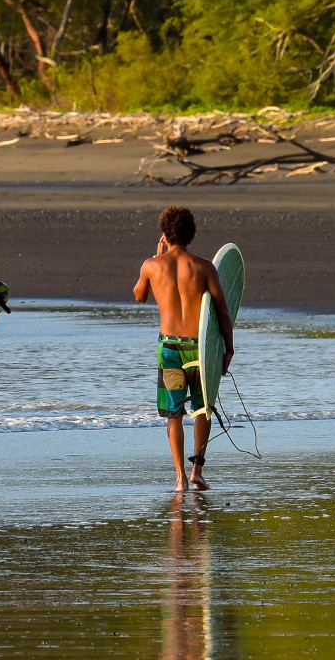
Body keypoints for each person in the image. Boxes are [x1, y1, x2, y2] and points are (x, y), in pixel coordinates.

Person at [133, 206, 233, 491]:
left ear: (165, 234)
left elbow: (139, 296)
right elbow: (223, 312)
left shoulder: (152, 265)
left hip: (169, 350)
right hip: (199, 349)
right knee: (203, 410)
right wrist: (228, 349)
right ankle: (197, 472)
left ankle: (179, 479)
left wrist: (155, 257)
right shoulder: (204, 267)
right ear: (191, 234)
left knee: (174, 414)